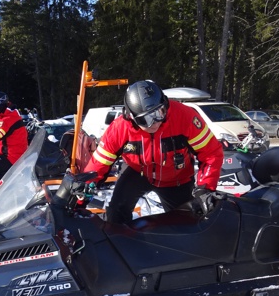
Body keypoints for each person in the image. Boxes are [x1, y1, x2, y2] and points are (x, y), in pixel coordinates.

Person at [83, 80, 224, 224]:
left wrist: (205, 188)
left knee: (188, 222)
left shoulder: (185, 117)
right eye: (145, 119)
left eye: (159, 112)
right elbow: (99, 163)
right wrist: (83, 189)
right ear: (131, 117)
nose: (154, 122)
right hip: (137, 172)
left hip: (176, 177)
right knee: (115, 213)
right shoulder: (119, 128)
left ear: (165, 104)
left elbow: (211, 152)